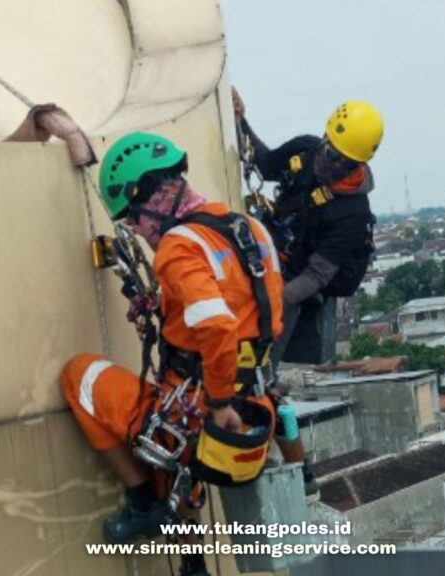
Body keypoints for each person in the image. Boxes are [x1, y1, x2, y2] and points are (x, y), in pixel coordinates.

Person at [60, 132, 284, 576]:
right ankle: (193, 563)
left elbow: (218, 325)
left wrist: (218, 404)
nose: (137, 234)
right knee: (179, 443)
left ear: (150, 198)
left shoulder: (179, 246)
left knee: (78, 376)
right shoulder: (248, 228)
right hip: (257, 402)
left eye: (133, 222)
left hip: (207, 405)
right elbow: (248, 311)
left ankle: (144, 504)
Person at [232, 89, 383, 364]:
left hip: (297, 278)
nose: (335, 166)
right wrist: (241, 122)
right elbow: (265, 165)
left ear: (359, 163)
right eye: (332, 153)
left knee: (267, 339)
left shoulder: (352, 213)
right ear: (325, 138)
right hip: (270, 251)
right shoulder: (305, 150)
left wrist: (272, 300)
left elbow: (316, 276)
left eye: (346, 163)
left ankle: (262, 382)